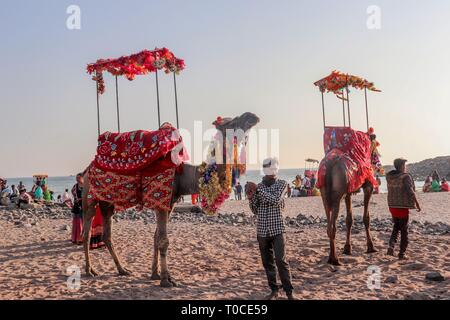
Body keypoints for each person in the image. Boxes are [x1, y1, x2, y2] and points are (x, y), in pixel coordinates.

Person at [247, 157, 295, 300]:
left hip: (278, 229)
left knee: (281, 260)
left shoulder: (282, 184)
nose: (272, 171)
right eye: (269, 168)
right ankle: (274, 289)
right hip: (262, 230)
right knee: (267, 263)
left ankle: (289, 292)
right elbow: (255, 209)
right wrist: (251, 197)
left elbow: (275, 200)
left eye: (274, 168)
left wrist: (257, 189)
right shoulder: (259, 187)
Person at [386, 158, 421, 260]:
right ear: (401, 166)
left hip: (392, 206)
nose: (406, 167)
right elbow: (410, 190)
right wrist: (417, 203)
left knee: (396, 227)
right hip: (402, 207)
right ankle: (402, 253)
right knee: (404, 230)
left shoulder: (389, 176)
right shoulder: (405, 177)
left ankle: (391, 246)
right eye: (405, 165)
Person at [71, 173, 84, 245]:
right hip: (77, 206)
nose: (77, 179)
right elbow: (73, 192)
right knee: (77, 222)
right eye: (76, 178)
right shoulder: (75, 186)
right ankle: (77, 238)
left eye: (79, 178)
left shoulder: (86, 186)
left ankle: (83, 238)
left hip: (85, 206)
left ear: (82, 178)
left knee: (84, 222)